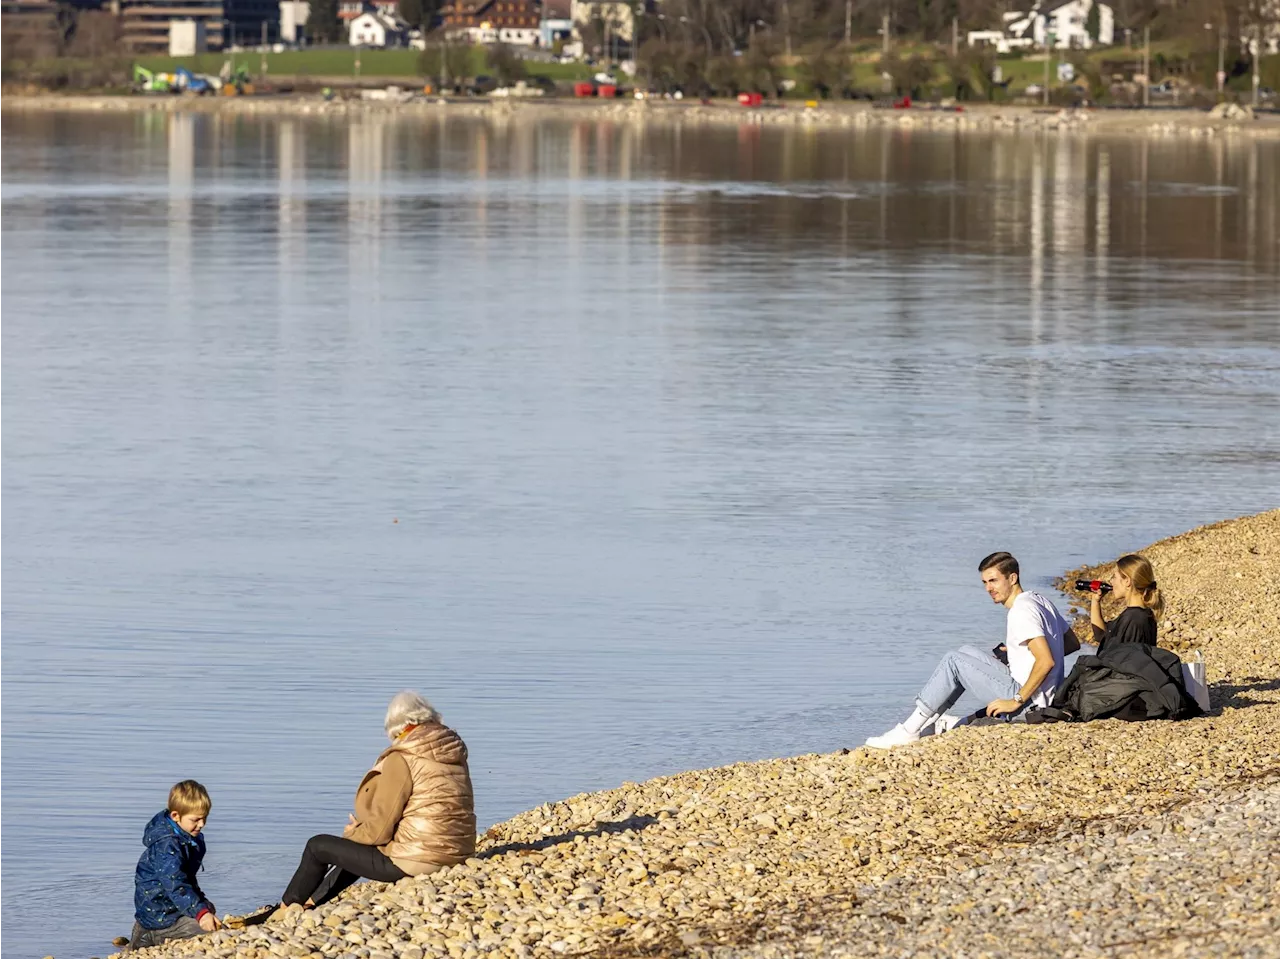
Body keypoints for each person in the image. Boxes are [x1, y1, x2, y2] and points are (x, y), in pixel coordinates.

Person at [271, 691, 476, 917]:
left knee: (318, 846)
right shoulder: (450, 752)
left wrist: (354, 832)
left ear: (395, 726)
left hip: (419, 861)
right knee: (357, 849)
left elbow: (379, 830)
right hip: (459, 854)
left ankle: (285, 908)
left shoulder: (403, 757)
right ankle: (311, 902)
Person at [865, 551, 1074, 749]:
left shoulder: (1021, 610)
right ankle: (931, 722)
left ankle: (908, 730)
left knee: (954, 660)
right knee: (966, 652)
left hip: (1029, 703)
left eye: (994, 581)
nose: (988, 588)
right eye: (985, 582)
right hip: (1043, 695)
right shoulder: (1039, 600)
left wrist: (1015, 701)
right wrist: (1021, 656)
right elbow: (1071, 643)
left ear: (1012, 578)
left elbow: (1046, 661)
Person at [128, 780, 220, 950]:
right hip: (160, 915)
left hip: (169, 909)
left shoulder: (189, 839)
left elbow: (187, 878)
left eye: (205, 818)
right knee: (212, 934)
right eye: (196, 819)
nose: (202, 824)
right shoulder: (167, 846)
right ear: (175, 816)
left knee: (213, 926)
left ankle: (147, 934)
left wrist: (201, 901)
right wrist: (200, 913)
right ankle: (150, 934)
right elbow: (176, 884)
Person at [1090, 553, 1163, 655]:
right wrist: (1095, 601)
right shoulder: (1144, 614)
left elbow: (1121, 661)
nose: (1111, 582)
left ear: (1127, 581)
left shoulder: (1132, 618)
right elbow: (1101, 635)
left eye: (1114, 577)